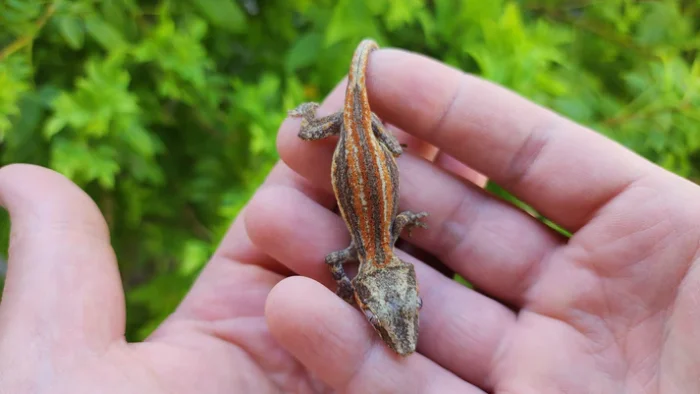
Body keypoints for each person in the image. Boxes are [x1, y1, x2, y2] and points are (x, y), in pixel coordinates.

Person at [0, 46, 696, 394]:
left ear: (382, 280)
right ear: (385, 280)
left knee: (321, 143)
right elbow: (371, 243)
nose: (400, 321)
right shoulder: (378, 244)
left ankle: (334, 103)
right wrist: (335, 131)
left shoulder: (381, 246)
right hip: (360, 137)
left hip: (367, 145)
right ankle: (323, 110)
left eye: (392, 310)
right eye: (396, 310)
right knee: (307, 139)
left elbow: (365, 248)